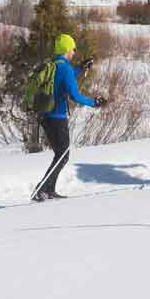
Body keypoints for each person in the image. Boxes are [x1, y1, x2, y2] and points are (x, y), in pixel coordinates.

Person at [32, 33, 106, 202]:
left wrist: (80, 68)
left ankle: (48, 190)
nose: (74, 52)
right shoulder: (65, 68)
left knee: (60, 153)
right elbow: (75, 95)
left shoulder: (54, 65)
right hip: (57, 116)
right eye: (73, 49)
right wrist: (94, 102)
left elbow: (66, 77)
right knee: (63, 154)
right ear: (66, 49)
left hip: (44, 115)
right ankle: (42, 188)